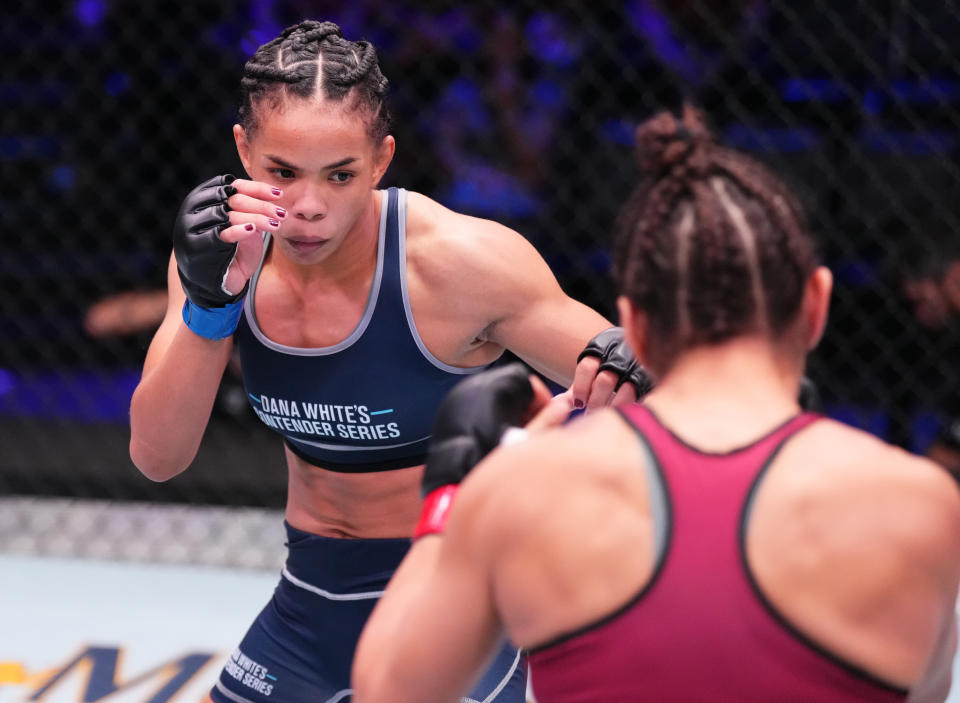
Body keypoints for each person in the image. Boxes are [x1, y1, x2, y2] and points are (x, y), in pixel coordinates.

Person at [352, 106, 960, 703]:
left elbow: (388, 691)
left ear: (632, 326)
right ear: (816, 306)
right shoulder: (922, 505)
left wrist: (450, 498)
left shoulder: (525, 488)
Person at [128, 19, 651, 703]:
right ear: (243, 150)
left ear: (380, 160)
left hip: (454, 599)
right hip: (308, 603)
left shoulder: (459, 266)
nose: (309, 207)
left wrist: (639, 364)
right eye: (283, 172)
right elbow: (158, 454)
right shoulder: (221, 254)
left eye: (340, 175)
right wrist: (208, 304)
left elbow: (639, 377)